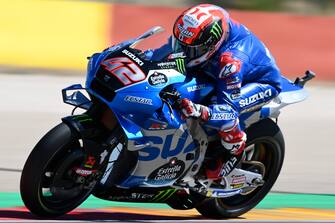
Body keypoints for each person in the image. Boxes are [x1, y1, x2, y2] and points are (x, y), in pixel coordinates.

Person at [146, 4, 282, 180]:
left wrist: (198, 110)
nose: (184, 52)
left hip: (259, 82)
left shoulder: (230, 64)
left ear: (211, 45)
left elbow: (228, 111)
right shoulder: (204, 30)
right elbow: (161, 54)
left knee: (222, 115)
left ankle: (233, 152)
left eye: (192, 49)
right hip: (219, 66)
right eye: (181, 44)